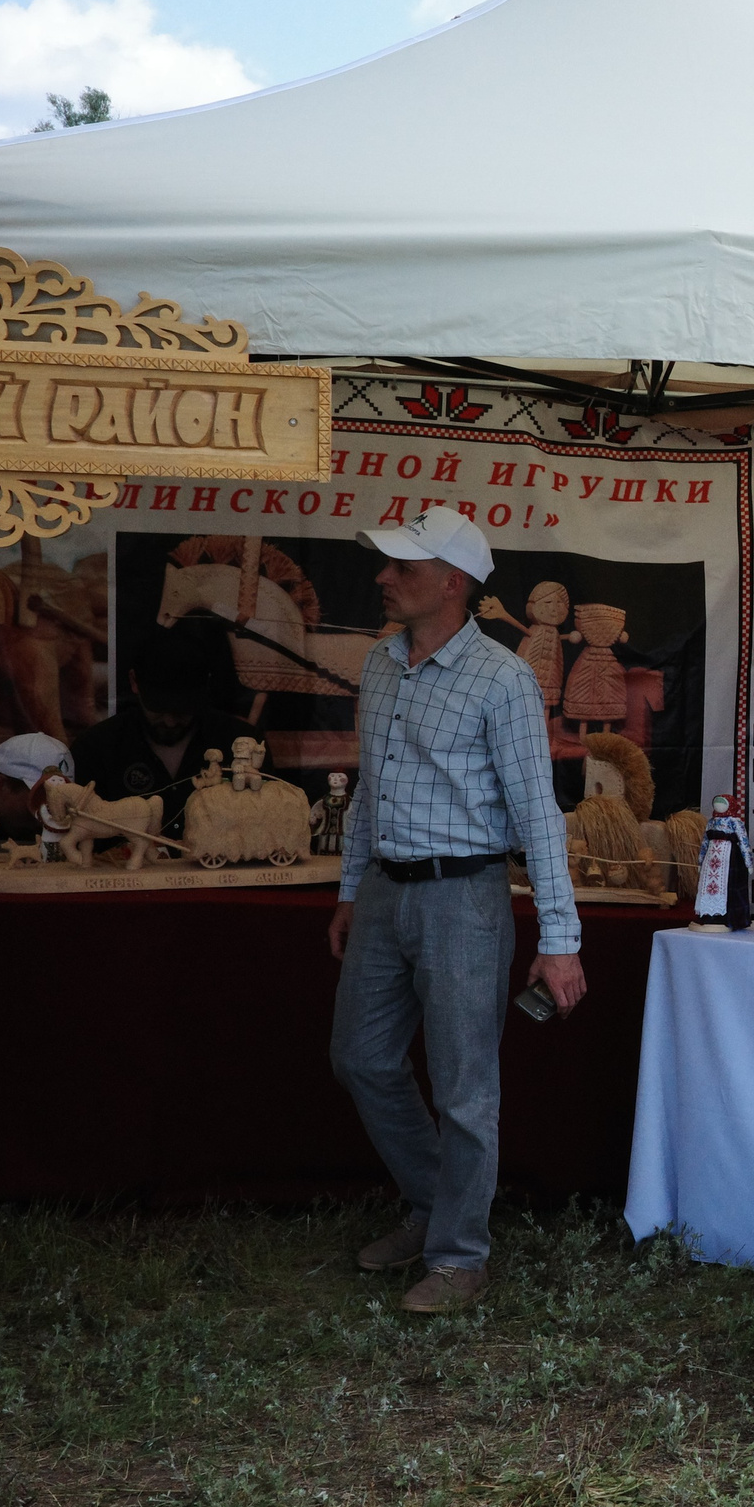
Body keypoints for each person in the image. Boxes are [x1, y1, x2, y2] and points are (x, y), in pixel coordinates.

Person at [327, 508, 584, 1315]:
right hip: (384, 891)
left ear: (452, 582)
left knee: (466, 1087)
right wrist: (347, 887)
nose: (383, 575)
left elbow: (539, 813)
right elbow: (370, 786)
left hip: (466, 896)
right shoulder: (379, 663)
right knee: (361, 1057)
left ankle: (459, 1254)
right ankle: (442, 1205)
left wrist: (561, 939)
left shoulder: (503, 679)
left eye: (402, 566)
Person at [71, 622, 257, 837]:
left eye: (183, 710)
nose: (170, 722)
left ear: (205, 688)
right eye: (158, 707)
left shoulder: (242, 743)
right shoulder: (95, 749)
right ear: (134, 682)